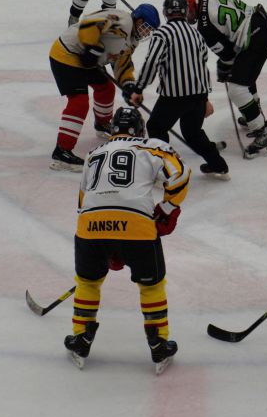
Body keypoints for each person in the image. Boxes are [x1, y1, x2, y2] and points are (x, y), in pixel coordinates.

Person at [63, 106, 190, 374]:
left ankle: (81, 337)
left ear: (112, 130)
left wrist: (107, 240)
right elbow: (180, 174)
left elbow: (82, 200)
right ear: (140, 129)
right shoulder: (152, 146)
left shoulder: (93, 153)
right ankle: (158, 343)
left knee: (88, 282)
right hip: (136, 225)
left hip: (90, 225)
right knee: (151, 286)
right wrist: (167, 208)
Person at [126, 0, 229, 180]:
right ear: (186, 11)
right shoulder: (196, 34)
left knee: (156, 127)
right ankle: (219, 166)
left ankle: (165, 170)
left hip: (173, 97)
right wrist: (204, 99)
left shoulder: (162, 34)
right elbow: (202, 66)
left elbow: (151, 64)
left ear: (166, 12)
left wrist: (138, 89)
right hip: (197, 96)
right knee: (193, 133)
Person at [49, 3, 160, 171]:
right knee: (79, 102)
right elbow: (89, 23)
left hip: (85, 59)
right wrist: (91, 47)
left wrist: (129, 85)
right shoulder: (123, 21)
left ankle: (102, 124)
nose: (147, 33)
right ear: (138, 20)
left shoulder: (132, 40)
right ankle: (62, 152)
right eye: (146, 27)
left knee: (106, 88)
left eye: (150, 30)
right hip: (67, 54)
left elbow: (122, 63)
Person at [194, 0, 267, 158]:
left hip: (254, 39)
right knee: (243, 75)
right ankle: (254, 114)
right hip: (261, 22)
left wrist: (224, 67)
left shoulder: (204, 27)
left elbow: (229, 56)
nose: (187, 15)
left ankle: (262, 132)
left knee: (237, 88)